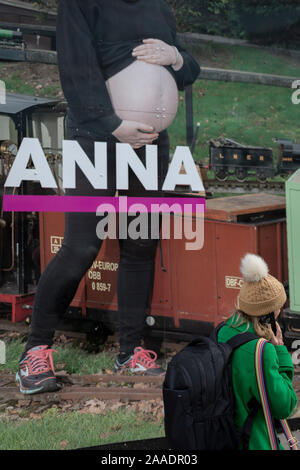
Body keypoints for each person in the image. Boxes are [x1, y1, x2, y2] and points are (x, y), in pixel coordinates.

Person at [15, 0, 200, 394]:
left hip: (151, 144)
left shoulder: (156, 6)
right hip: (96, 140)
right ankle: (34, 352)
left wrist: (176, 57)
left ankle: (131, 351)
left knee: (140, 243)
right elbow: (76, 70)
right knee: (81, 247)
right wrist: (115, 126)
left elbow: (190, 69)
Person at [218, 253, 298, 450]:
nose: (281, 309)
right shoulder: (261, 351)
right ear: (269, 313)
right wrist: (280, 352)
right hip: (253, 441)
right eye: (279, 306)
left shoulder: (223, 331)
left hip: (223, 435)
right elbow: (284, 406)